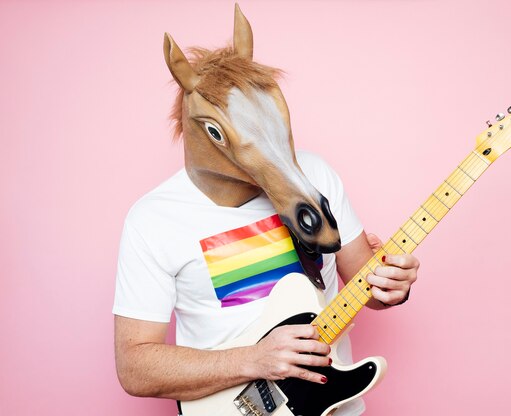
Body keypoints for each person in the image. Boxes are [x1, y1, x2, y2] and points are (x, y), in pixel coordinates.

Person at [113, 5, 419, 416]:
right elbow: (135, 368)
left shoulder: (316, 175)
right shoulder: (153, 220)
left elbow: (369, 284)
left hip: (331, 405)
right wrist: (252, 359)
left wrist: (393, 286)